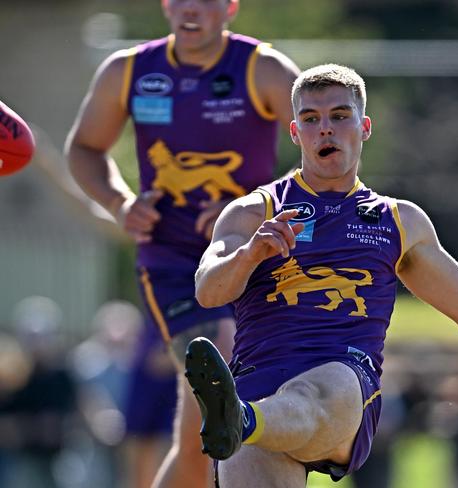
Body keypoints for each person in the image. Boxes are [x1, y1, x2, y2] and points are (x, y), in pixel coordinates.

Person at [187, 63, 458, 487]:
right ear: (295, 133)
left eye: (340, 116)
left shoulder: (397, 222)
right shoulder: (254, 212)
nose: (325, 127)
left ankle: (245, 421)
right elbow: (209, 290)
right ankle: (246, 419)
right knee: (256, 423)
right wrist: (250, 254)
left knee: (323, 389)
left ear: (364, 128)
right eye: (311, 118)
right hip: (255, 390)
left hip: (340, 387)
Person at [65, 1, 300, 486]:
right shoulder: (129, 71)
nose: (192, 8)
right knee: (216, 364)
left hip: (249, 255)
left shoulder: (264, 69)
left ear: (231, 7)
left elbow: (327, 145)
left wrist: (251, 206)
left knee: (200, 440)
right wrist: (120, 202)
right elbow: (85, 148)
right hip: (169, 260)